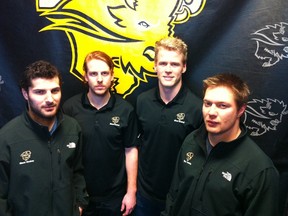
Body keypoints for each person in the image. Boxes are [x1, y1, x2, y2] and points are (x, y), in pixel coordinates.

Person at [161, 73, 279, 216]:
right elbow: (174, 194)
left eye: (222, 106)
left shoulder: (259, 169)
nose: (211, 112)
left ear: (240, 110)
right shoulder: (191, 141)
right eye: (207, 104)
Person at [0, 60, 88, 216]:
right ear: (25, 93)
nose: (50, 99)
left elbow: (77, 172)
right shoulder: (7, 137)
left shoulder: (72, 128)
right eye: (40, 92)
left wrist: (79, 205)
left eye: (55, 90)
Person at [62, 51, 138, 216]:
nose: (99, 79)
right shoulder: (70, 108)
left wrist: (131, 192)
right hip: (80, 195)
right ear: (85, 77)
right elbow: (63, 153)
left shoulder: (126, 110)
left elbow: (130, 150)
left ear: (112, 75)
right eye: (93, 73)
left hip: (114, 197)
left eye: (104, 73)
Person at [134, 36, 203, 216]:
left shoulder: (196, 108)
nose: (168, 70)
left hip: (178, 198)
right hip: (144, 196)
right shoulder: (142, 101)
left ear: (184, 67)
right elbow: (136, 145)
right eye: (163, 63)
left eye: (174, 64)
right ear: (155, 66)